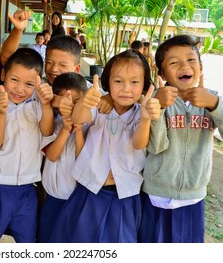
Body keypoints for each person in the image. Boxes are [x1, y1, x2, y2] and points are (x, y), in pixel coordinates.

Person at [49, 49, 161, 243]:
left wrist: (144, 119)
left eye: (134, 82)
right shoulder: (100, 107)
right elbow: (78, 118)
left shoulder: (141, 112)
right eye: (118, 81)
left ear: (144, 85)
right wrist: (86, 102)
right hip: (89, 192)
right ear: (107, 82)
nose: (126, 88)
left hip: (124, 197)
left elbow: (139, 144)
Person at [138, 34, 223, 243]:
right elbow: (155, 146)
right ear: (162, 72)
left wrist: (214, 103)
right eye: (174, 63)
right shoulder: (155, 99)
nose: (184, 66)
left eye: (191, 60)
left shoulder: (211, 99)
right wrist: (158, 106)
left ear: (201, 67)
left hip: (193, 197)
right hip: (156, 196)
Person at [0, 48, 54, 243]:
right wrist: (2, 113)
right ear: (3, 75)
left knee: (27, 241)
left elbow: (47, 131)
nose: (20, 89)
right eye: (14, 80)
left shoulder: (37, 104)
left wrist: (46, 105)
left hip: (28, 188)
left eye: (29, 84)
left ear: (38, 83)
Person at [37, 72, 89, 243]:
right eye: (65, 102)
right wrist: (66, 129)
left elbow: (83, 159)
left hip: (78, 200)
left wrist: (78, 128)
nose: (71, 107)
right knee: (48, 239)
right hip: (53, 198)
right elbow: (52, 155)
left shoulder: (89, 124)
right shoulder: (52, 122)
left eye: (75, 102)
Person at [45, 35, 112, 114]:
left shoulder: (87, 89)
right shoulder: (40, 86)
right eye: (49, 62)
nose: (54, 69)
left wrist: (110, 99)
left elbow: (107, 98)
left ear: (76, 69)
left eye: (63, 65)